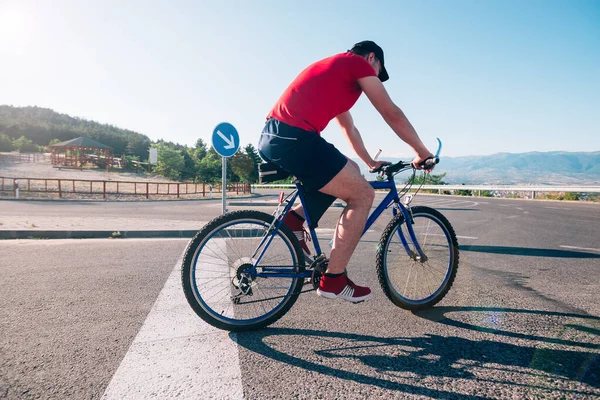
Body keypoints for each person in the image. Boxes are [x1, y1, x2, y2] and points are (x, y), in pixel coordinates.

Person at [257, 40, 435, 303]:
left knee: (350, 171)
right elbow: (391, 112)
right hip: (295, 137)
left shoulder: (336, 74)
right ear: (371, 58)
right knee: (363, 194)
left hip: (278, 135)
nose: (376, 78)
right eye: (378, 72)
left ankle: (294, 221)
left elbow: (348, 129)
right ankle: (334, 280)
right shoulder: (355, 63)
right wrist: (422, 152)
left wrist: (369, 163)